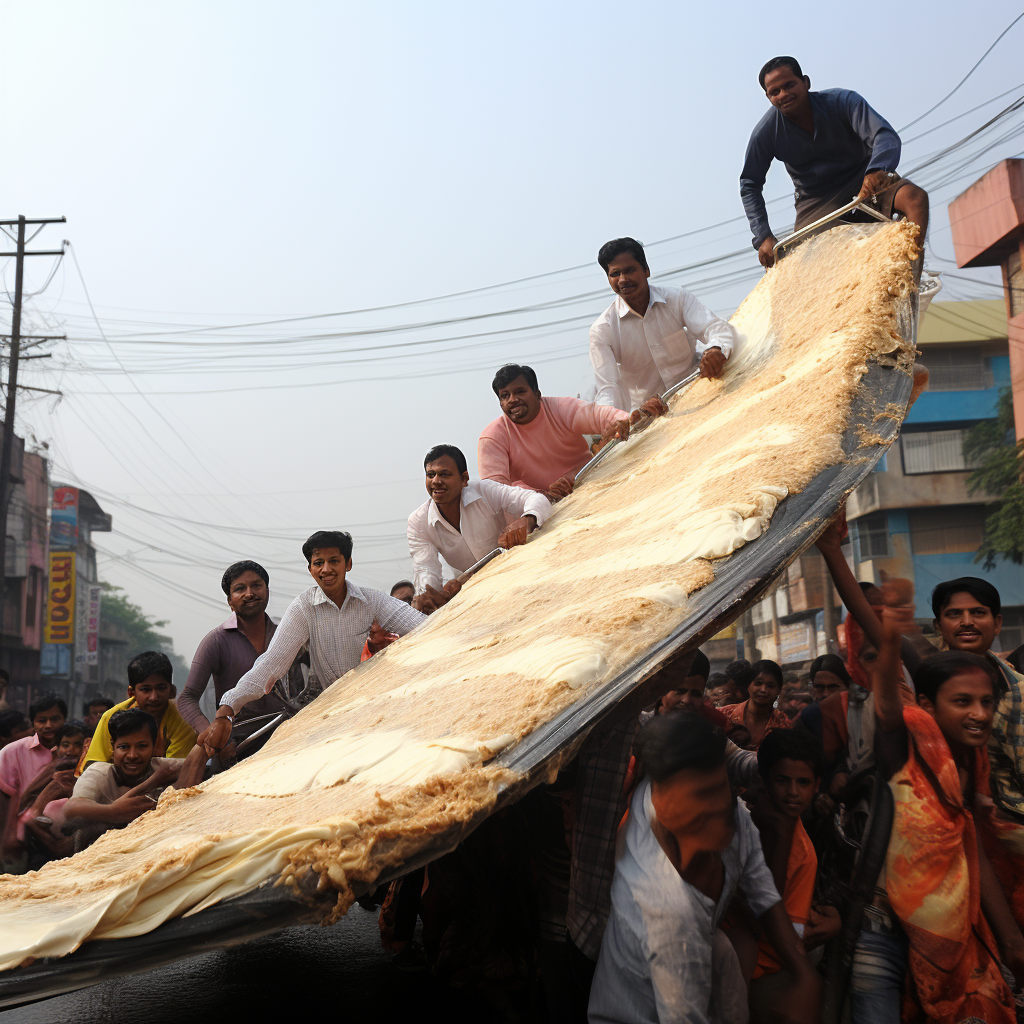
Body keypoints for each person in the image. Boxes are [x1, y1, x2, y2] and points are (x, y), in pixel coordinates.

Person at [588, 712, 820, 1024]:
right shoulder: (667, 909)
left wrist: (806, 977)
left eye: (717, 786)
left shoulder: (731, 814)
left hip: (697, 971)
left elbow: (764, 895)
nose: (715, 806)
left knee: (721, 948)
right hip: (640, 1011)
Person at [870, 603, 1022, 1023]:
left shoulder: (974, 764)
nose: (980, 714)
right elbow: (886, 699)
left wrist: (1010, 938)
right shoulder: (905, 745)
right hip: (881, 930)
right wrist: (886, 634)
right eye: (963, 701)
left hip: (958, 930)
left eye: (987, 702)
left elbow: (970, 847)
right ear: (926, 705)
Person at [198, 530, 426, 757]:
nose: (326, 569)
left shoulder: (371, 601)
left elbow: (423, 626)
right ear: (310, 569)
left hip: (369, 703)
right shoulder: (303, 608)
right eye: (319, 563)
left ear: (348, 564)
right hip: (325, 711)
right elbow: (271, 664)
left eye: (334, 561)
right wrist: (227, 710)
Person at [740, 56, 929, 269]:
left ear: (806, 82)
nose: (783, 95)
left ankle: (909, 279)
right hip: (816, 201)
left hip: (865, 183)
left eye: (789, 85)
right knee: (802, 269)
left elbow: (884, 135)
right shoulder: (765, 132)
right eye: (775, 92)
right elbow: (749, 184)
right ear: (769, 97)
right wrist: (763, 236)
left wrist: (878, 168)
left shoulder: (843, 101)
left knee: (914, 198)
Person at [589, 238, 736, 417]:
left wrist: (715, 350)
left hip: (700, 392)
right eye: (615, 274)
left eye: (629, 270)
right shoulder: (602, 330)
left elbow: (714, 328)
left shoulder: (677, 298)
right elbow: (608, 388)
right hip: (650, 418)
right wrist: (611, 419)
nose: (623, 280)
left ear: (646, 270)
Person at [747, 731, 838, 1022]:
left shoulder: (799, 847)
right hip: (762, 967)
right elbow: (763, 915)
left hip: (764, 961)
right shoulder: (759, 827)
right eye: (782, 780)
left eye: (803, 782)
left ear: (817, 785)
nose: (793, 792)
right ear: (764, 778)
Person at [178, 560, 305, 761]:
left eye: (256, 585)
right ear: (230, 600)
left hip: (292, 741)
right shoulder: (217, 640)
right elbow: (187, 698)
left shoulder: (287, 635)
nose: (249, 593)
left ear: (267, 591)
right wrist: (213, 735)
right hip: (239, 748)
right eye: (240, 589)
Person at [478, 363, 637, 502]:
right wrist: (541, 496)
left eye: (520, 391)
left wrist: (627, 421)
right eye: (505, 396)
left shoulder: (560, 408)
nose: (512, 399)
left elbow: (601, 416)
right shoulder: (492, 438)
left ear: (537, 394)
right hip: (539, 512)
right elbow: (495, 491)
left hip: (592, 483)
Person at [407, 443, 552, 594]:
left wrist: (527, 520)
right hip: (473, 594)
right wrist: (429, 593)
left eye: (444, 474)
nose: (436, 481)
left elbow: (537, 500)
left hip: (515, 572)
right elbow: (426, 570)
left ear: (464, 479)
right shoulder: (418, 522)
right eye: (430, 475)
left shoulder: (484, 491)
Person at [65, 709, 197, 846]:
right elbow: (71, 809)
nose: (132, 755)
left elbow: (198, 760)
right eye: (124, 747)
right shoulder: (100, 773)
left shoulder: (164, 768)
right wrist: (115, 811)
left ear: (155, 746)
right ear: (113, 747)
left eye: (142, 746)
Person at [82, 652, 197, 770]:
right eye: (146, 689)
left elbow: (172, 770)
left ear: (172, 691)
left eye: (161, 688)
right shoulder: (111, 717)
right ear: (131, 693)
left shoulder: (183, 722)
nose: (154, 697)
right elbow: (93, 764)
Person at [0, 694, 66, 869]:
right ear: (33, 723)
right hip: (21, 838)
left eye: (55, 719)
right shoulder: (12, 751)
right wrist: (7, 837)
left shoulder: (76, 750)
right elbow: (4, 799)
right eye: (41, 720)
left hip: (61, 836)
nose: (48, 725)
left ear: (64, 720)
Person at [721, 659, 791, 748]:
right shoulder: (724, 715)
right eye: (758, 683)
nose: (763, 690)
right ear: (749, 686)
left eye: (770, 686)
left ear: (779, 691)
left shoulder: (784, 724)